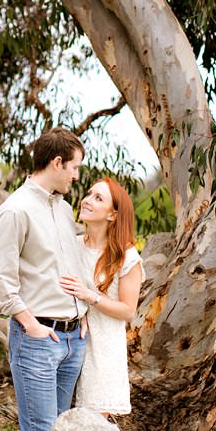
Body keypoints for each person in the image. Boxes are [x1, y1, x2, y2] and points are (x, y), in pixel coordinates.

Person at [0, 126, 90, 431]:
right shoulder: (14, 210)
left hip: (71, 339)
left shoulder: (62, 208)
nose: (77, 175)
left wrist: (82, 315)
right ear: (56, 162)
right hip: (38, 340)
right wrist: (29, 324)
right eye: (74, 167)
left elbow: (70, 268)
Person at [61, 177, 143, 417]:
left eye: (98, 198)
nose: (87, 201)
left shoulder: (126, 257)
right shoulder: (73, 245)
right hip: (69, 340)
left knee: (90, 426)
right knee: (59, 421)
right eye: (89, 194)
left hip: (103, 350)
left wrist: (90, 296)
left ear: (113, 215)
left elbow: (128, 311)